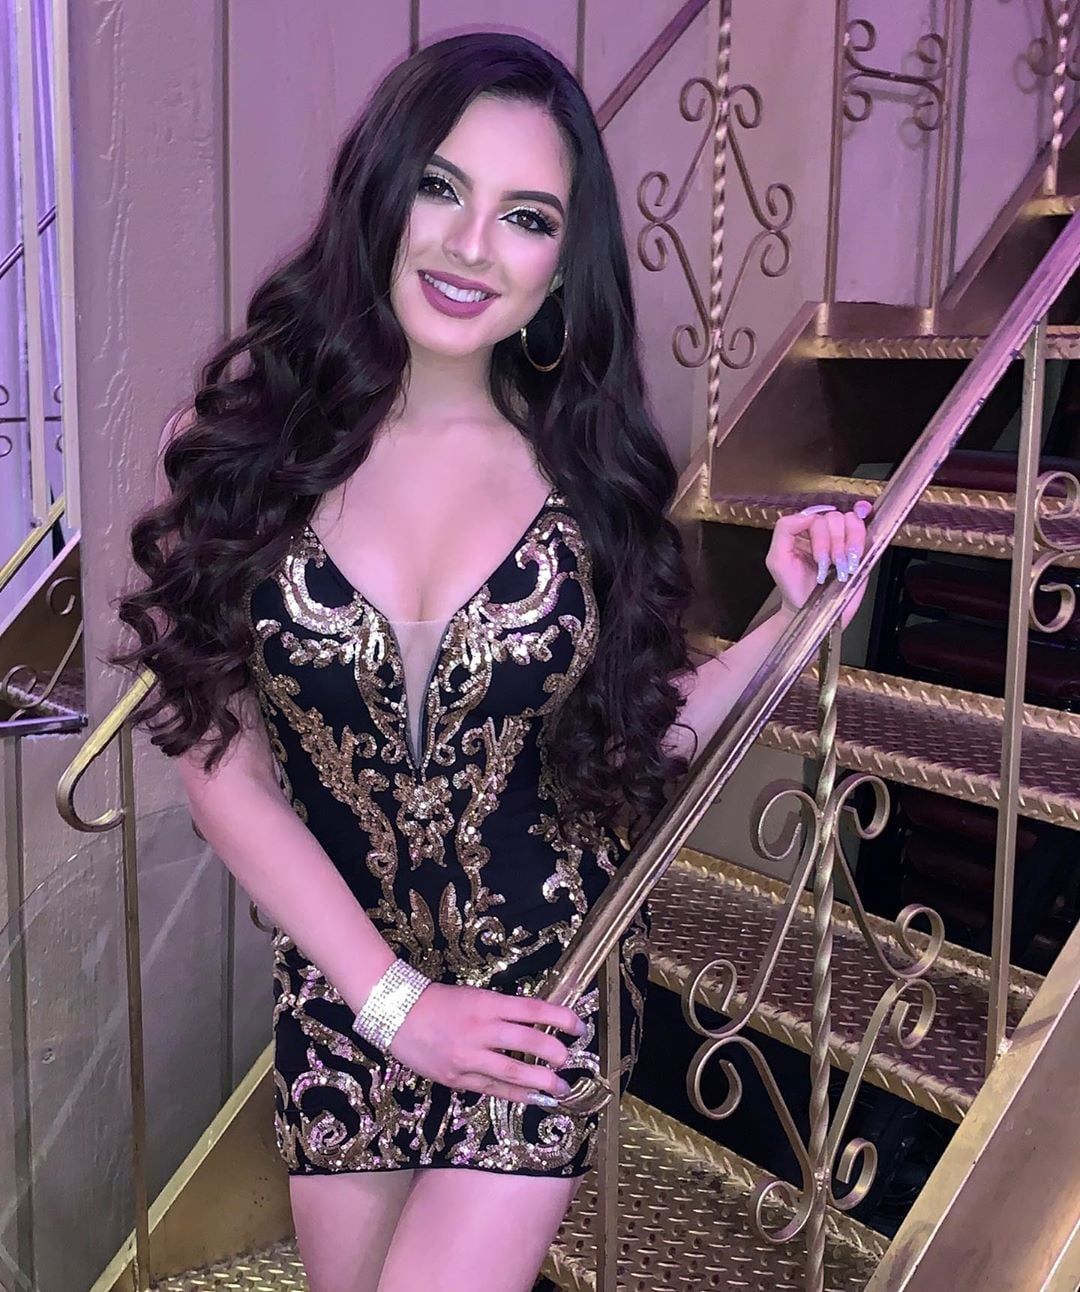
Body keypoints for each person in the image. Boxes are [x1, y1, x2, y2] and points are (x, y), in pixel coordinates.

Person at [111, 30, 868, 1292]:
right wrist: (392, 1001)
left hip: (540, 988)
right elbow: (217, 762)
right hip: (344, 992)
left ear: (562, 263)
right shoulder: (242, 445)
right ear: (380, 191)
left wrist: (781, 626)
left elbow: (631, 737)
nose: (471, 246)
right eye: (441, 188)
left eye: (525, 217)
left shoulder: (587, 476)